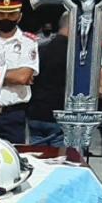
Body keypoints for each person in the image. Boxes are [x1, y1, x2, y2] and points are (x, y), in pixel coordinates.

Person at [0, 0, 38, 144]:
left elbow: (23, 76)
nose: (5, 19)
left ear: (19, 17)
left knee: (13, 157)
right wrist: (8, 76)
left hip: (13, 115)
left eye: (11, 15)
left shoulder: (27, 42)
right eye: (1, 14)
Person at [26, 11, 70, 147]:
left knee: (37, 161)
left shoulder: (41, 48)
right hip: (59, 115)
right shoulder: (74, 54)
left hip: (36, 112)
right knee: (60, 164)